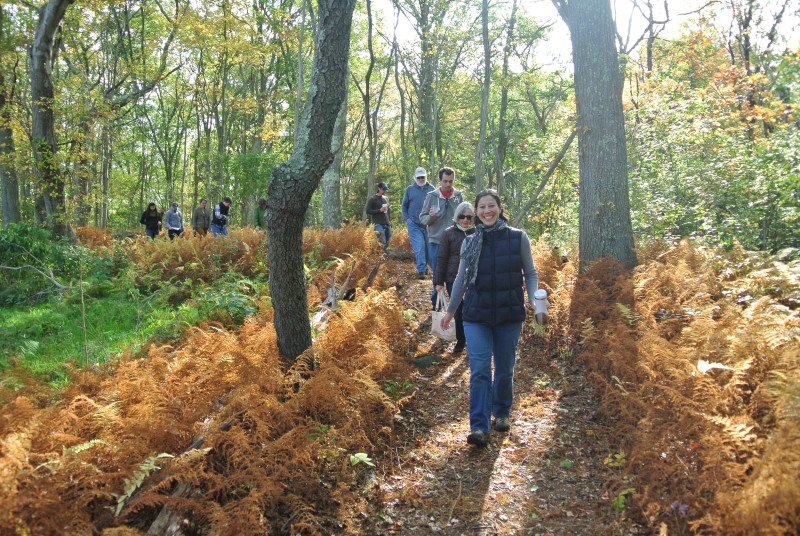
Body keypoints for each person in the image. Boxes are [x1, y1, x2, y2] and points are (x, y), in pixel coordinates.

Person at [440, 189, 539, 448]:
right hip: (476, 315)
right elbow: (460, 280)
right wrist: (450, 312)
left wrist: (533, 299)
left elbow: (530, 272)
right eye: (481, 207)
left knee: (505, 369)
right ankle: (480, 426)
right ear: (476, 213)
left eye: (491, 206)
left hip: (509, 313)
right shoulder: (469, 242)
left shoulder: (518, 238)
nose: (486, 211)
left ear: (499, 208)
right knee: (481, 371)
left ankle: (503, 411)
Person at [434, 201, 475, 354]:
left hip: (472, 278)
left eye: (469, 217)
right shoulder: (448, 233)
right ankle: (460, 340)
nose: (465, 220)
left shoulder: (477, 233)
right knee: (457, 310)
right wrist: (438, 281)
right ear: (457, 216)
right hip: (452, 278)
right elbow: (442, 258)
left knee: (471, 309)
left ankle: (472, 340)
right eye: (462, 216)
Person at [419, 167, 463, 306]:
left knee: (454, 275)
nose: (448, 184)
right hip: (436, 241)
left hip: (455, 242)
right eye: (445, 181)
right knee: (438, 276)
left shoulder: (458, 196)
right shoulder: (432, 196)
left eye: (451, 181)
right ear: (440, 180)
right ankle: (437, 306)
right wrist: (431, 217)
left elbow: (463, 218)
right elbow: (423, 218)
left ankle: (455, 308)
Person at [401, 167, 435, 279]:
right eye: (418, 177)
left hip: (428, 224)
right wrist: (407, 218)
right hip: (414, 223)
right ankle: (421, 271)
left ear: (426, 177)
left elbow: (436, 205)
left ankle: (426, 268)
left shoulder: (431, 189)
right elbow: (404, 205)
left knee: (428, 248)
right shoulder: (410, 190)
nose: (421, 179)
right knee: (419, 247)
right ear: (415, 178)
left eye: (423, 177)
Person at [365, 182, 392, 254]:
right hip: (377, 223)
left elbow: (388, 210)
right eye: (383, 190)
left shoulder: (386, 198)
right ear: (379, 189)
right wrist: (379, 210)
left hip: (386, 222)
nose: (385, 191)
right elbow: (368, 211)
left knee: (388, 236)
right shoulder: (372, 199)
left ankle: (383, 253)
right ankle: (384, 257)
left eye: (385, 190)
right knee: (381, 238)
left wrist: (389, 220)